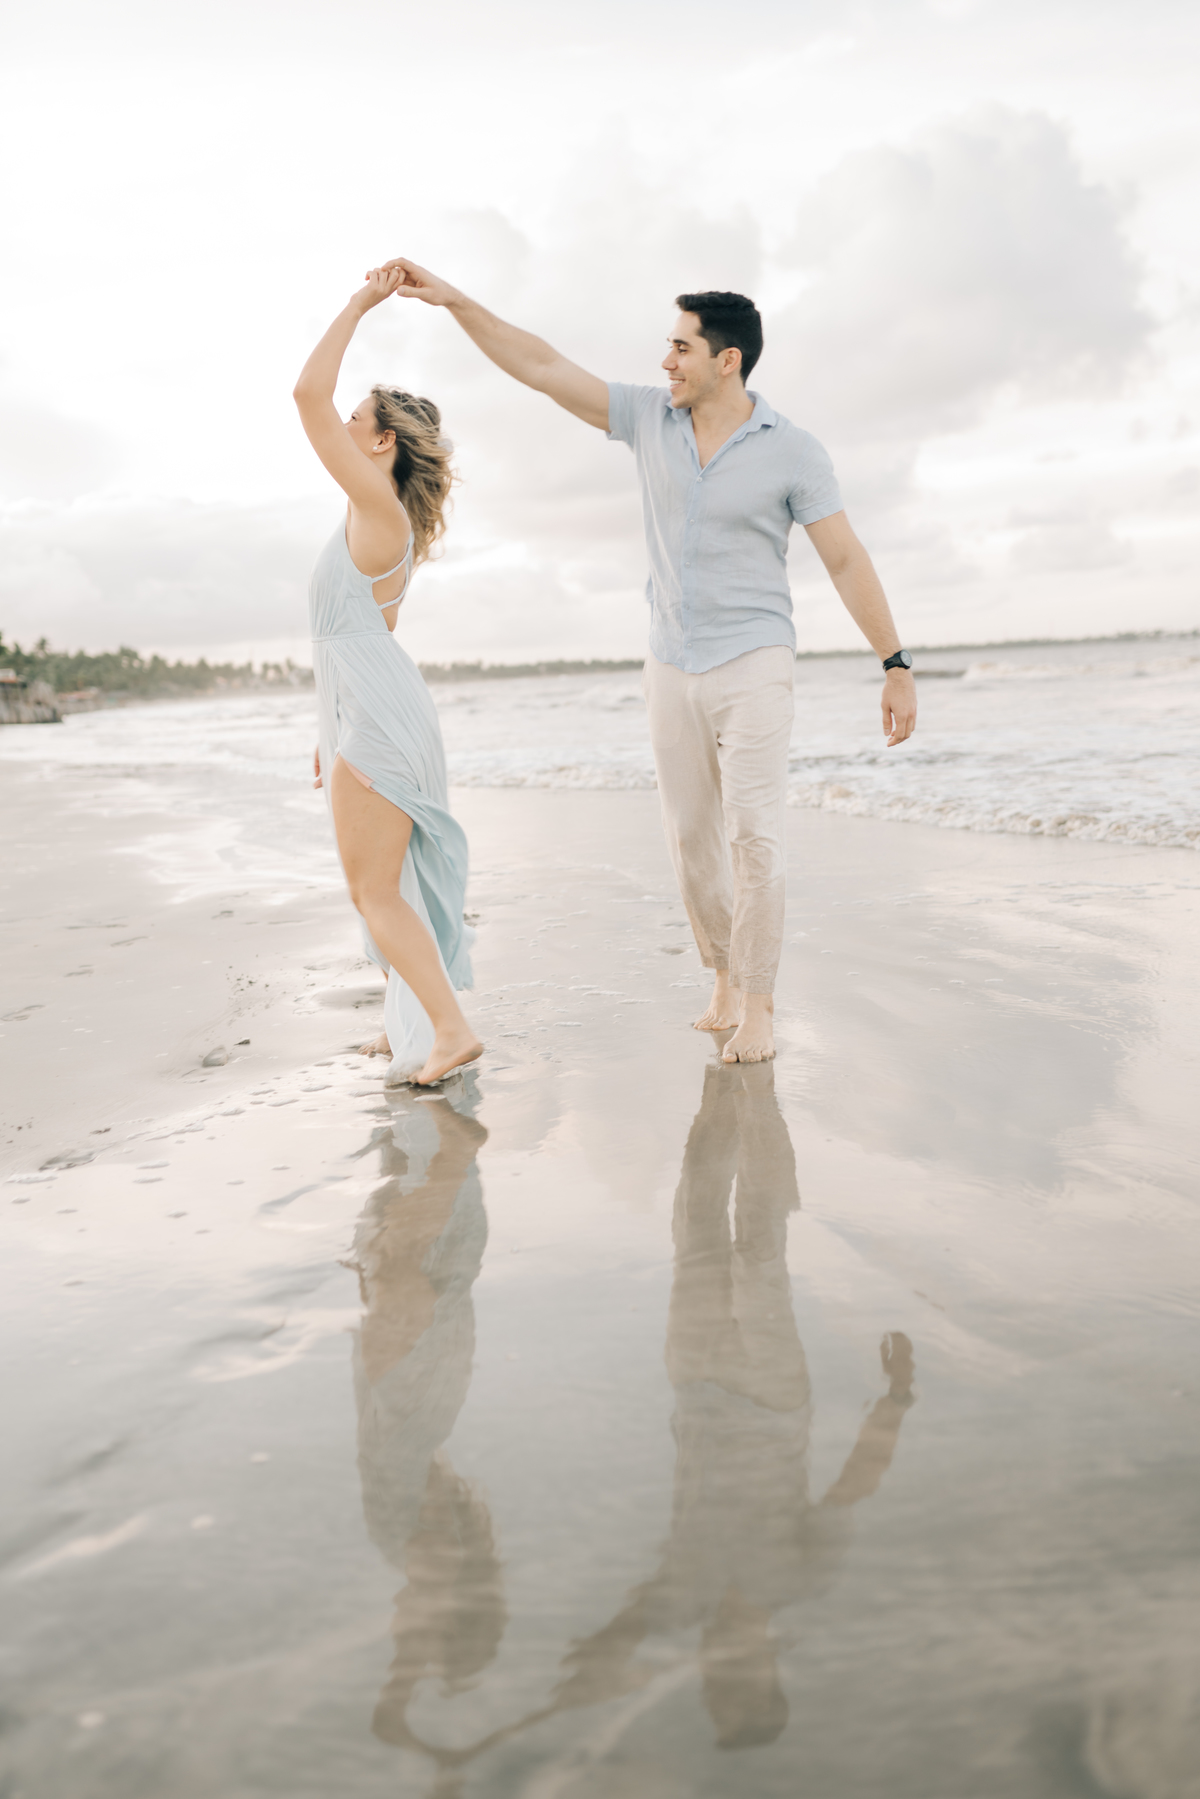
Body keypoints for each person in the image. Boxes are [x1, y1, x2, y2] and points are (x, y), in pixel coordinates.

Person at [374, 258, 918, 1064]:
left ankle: (759, 1005)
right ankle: (724, 974)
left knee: (754, 839)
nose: (666, 361)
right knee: (692, 840)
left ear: (726, 360)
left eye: (680, 347)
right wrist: (454, 299)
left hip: (756, 660)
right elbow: (542, 367)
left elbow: (843, 557)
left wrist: (894, 662)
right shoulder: (649, 419)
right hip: (669, 661)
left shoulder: (795, 451)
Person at [293, 267, 482, 1086]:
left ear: (382, 444)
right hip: (377, 711)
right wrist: (331, 727)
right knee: (382, 881)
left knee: (373, 888)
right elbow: (369, 639)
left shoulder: (377, 509)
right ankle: (407, 1022)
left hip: (380, 718)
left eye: (356, 419)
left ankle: (450, 1030)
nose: (341, 423)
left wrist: (361, 302)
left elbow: (306, 394)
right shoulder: (376, 521)